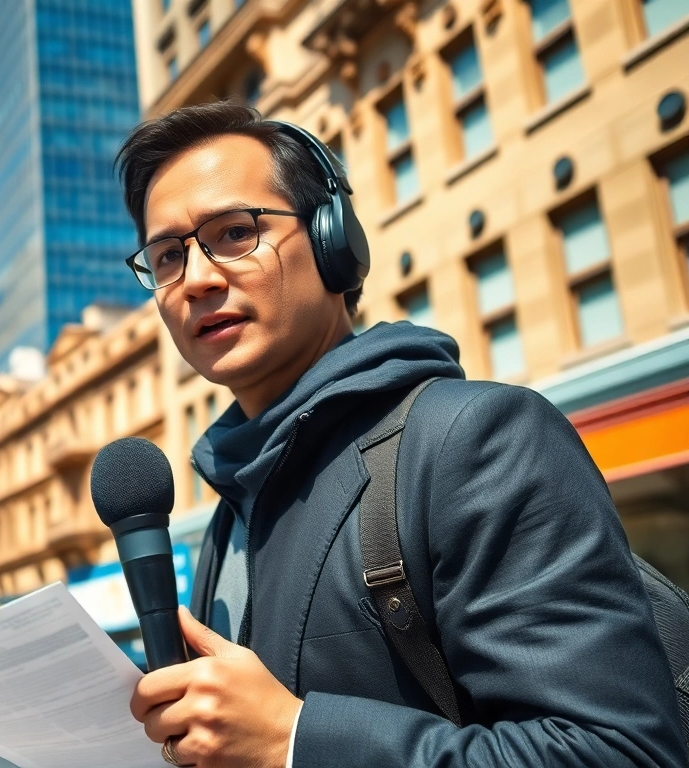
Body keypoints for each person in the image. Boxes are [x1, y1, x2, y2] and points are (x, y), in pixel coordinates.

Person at [113, 101, 686, 767]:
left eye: (236, 232)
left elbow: (618, 751)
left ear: (331, 241)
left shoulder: (475, 440)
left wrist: (294, 739)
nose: (197, 279)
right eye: (167, 256)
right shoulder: (232, 513)